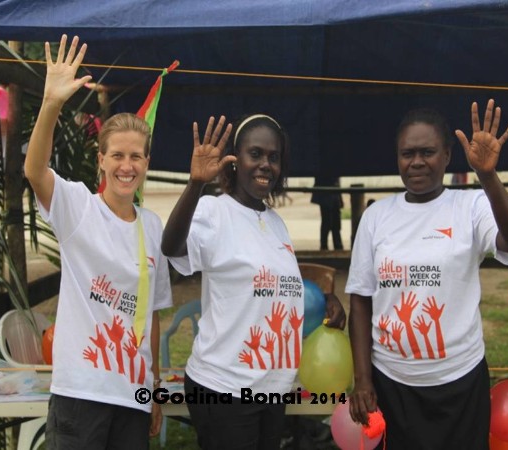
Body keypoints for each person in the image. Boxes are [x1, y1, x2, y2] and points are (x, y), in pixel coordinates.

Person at [346, 100, 508, 449]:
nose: (416, 161)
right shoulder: (376, 217)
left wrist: (488, 176)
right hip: (392, 382)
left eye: (427, 152)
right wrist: (363, 380)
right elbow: (360, 300)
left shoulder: (470, 206)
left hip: (460, 381)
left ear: (447, 155)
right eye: (407, 153)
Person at [161, 114, 346, 450]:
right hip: (225, 388)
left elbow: (278, 289)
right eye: (255, 154)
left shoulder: (275, 223)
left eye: (274, 157)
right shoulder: (214, 211)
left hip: (271, 388)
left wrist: (324, 301)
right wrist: (195, 184)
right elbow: (172, 247)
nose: (265, 165)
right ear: (235, 160)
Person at [24, 35, 172, 449]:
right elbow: (35, 171)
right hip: (81, 394)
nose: (127, 166)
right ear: (101, 160)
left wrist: (153, 388)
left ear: (146, 163)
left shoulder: (152, 227)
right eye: (118, 155)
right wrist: (51, 103)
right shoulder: (78, 208)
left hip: (132, 397)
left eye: (136, 156)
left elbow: (151, 315)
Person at [311, 175, 344, 250]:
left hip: (327, 192)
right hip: (331, 192)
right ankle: (335, 245)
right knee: (331, 221)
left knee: (328, 220)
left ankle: (325, 245)